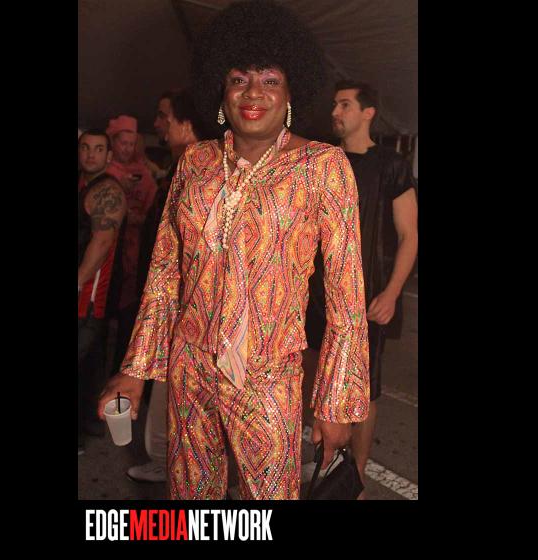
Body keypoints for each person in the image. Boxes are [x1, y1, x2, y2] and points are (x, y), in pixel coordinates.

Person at [98, 0, 369, 500]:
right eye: (239, 78)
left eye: (270, 80)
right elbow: (165, 273)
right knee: (192, 503)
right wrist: (136, 370)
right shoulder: (195, 162)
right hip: (190, 368)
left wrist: (336, 403)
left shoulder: (323, 167)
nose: (253, 92)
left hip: (269, 376)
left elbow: (346, 295)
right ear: (220, 91)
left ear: (291, 92)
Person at [306, 82, 418, 498]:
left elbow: (409, 235)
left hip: (365, 298)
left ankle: (356, 479)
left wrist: (391, 294)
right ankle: (320, 460)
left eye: (345, 104)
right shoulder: (320, 158)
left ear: (368, 112)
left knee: (362, 391)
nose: (335, 111)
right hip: (314, 296)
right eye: (334, 104)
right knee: (311, 378)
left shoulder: (390, 164)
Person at [127, 89, 208, 484]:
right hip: (166, 301)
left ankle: (171, 464)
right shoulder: (179, 166)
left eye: (165, 116)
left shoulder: (198, 170)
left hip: (184, 308)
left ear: (186, 123)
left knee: (172, 391)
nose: (158, 124)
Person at [78, 129, 127, 454]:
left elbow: (103, 241)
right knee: (89, 365)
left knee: (85, 364)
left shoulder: (108, 190)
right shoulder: (85, 185)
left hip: (89, 298)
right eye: (85, 148)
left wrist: (78, 281)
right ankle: (88, 427)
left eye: (98, 149)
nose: (90, 154)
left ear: (109, 156)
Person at [105, 115, 158, 379]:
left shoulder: (144, 174)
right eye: (122, 143)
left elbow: (152, 211)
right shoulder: (105, 172)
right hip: (108, 251)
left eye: (130, 143)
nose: (126, 148)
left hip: (134, 253)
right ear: (113, 143)